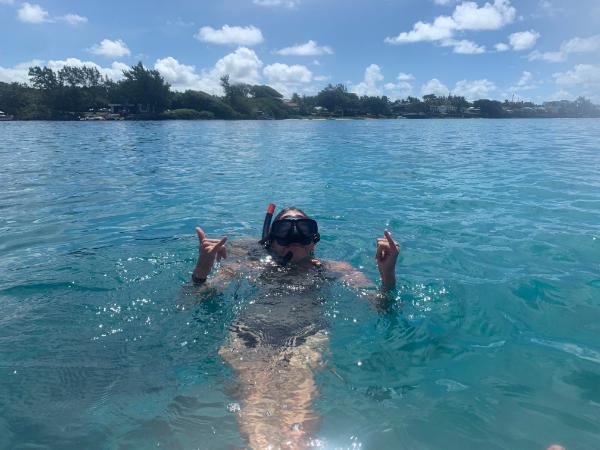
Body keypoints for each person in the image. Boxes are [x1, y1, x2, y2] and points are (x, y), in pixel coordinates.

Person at [191, 206, 399, 449]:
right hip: (251, 336)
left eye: (302, 230)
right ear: (270, 240)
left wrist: (388, 277)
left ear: (313, 241)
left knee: (297, 420)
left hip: (305, 338)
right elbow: (198, 299)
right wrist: (201, 271)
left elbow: (380, 306)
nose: (293, 239)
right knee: (256, 409)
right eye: (284, 230)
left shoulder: (333, 269)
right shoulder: (249, 266)